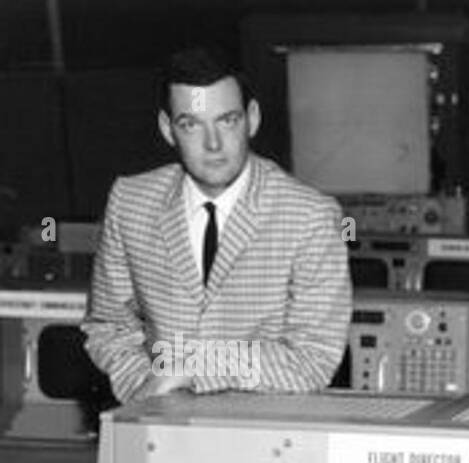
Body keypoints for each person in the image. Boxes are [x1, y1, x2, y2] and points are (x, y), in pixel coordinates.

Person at [83, 46, 351, 404]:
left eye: (227, 120)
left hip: (266, 441)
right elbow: (108, 327)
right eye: (191, 125)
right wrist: (147, 390)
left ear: (252, 119)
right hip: (158, 430)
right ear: (167, 129)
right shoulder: (129, 202)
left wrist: (191, 370)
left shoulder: (310, 217)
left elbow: (313, 359)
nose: (213, 144)